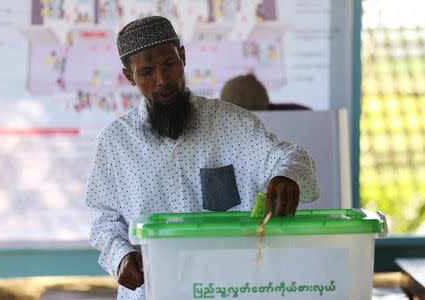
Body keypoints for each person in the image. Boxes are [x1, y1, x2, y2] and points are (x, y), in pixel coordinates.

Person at [85, 16, 319, 300]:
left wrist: (287, 175)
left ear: (182, 57)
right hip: (152, 292)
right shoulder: (115, 142)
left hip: (229, 289)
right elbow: (103, 218)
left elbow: (290, 156)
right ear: (129, 76)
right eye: (147, 71)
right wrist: (121, 256)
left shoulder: (231, 123)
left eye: (169, 64)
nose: (163, 80)